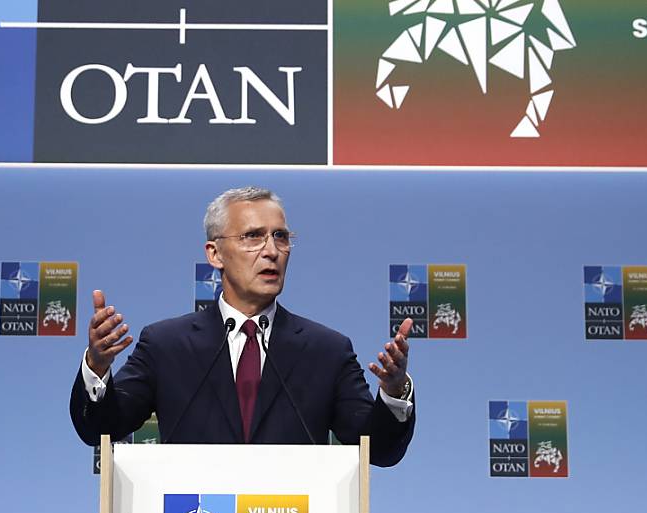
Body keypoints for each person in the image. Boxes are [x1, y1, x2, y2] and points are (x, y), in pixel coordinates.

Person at [69, 187, 415, 466]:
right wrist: (97, 365)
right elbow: (102, 427)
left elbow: (378, 449)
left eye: (281, 237)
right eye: (253, 236)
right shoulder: (166, 344)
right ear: (215, 254)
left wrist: (394, 391)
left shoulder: (326, 350)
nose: (272, 251)